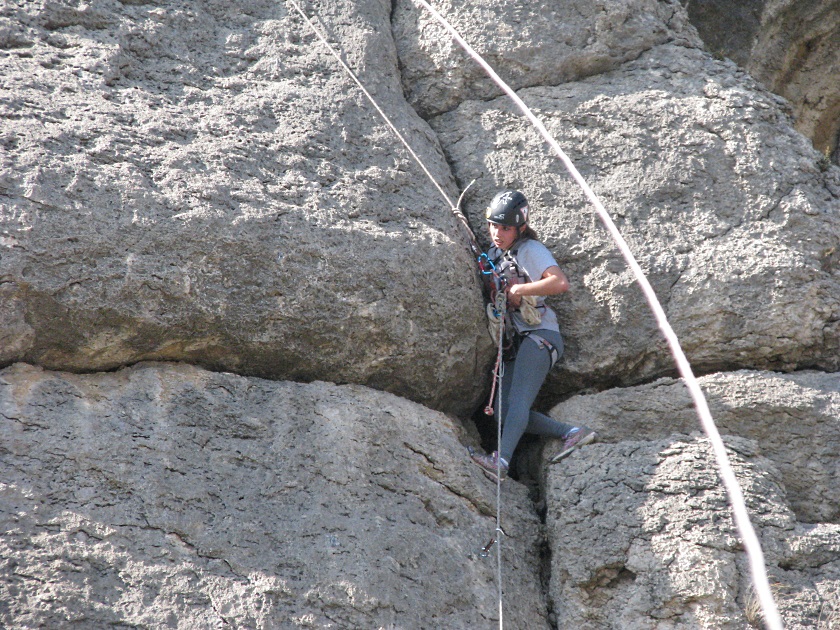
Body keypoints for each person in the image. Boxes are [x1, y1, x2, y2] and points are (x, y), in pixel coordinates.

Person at [471, 190, 596, 482]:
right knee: (502, 411)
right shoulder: (494, 255)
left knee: (517, 404)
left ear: (520, 228)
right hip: (521, 339)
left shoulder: (530, 249)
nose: (497, 232)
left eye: (505, 227)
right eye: (493, 225)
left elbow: (559, 282)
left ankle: (500, 460)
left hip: (541, 336)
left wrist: (520, 290)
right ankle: (571, 432)